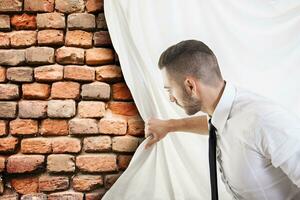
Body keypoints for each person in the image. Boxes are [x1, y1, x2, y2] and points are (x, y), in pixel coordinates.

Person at [144, 40, 300, 199]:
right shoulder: (225, 115)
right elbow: (219, 125)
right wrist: (169, 126)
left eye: (170, 90)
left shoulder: (264, 120)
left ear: (190, 86)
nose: (171, 98)